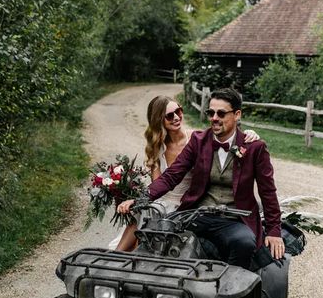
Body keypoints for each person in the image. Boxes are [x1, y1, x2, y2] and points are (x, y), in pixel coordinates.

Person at [118, 87, 284, 267]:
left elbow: (268, 192)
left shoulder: (255, 148)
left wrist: (274, 231)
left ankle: (229, 290)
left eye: (221, 113)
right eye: (211, 112)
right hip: (197, 215)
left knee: (244, 242)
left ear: (237, 115)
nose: (214, 118)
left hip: (234, 219)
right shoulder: (198, 141)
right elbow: (171, 176)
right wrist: (142, 198)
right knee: (159, 233)